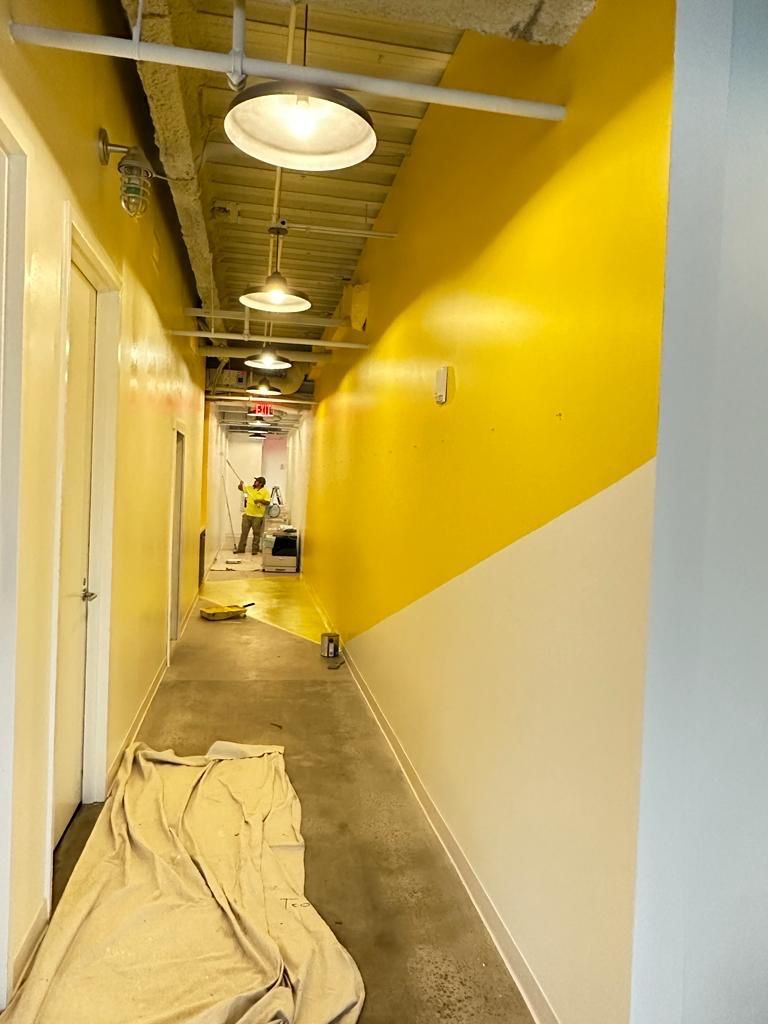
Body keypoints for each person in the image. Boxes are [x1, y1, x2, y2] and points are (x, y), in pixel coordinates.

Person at [236, 475, 270, 554]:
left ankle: (255, 550)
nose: (255, 482)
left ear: (261, 484)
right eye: (255, 481)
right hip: (247, 515)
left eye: (257, 481)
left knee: (256, 534)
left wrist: (259, 500)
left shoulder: (265, 492)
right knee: (244, 533)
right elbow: (240, 488)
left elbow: (267, 502)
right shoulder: (250, 488)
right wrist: (240, 484)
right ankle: (240, 549)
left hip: (258, 517)